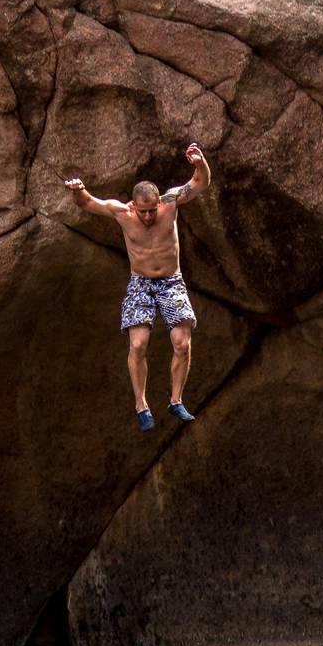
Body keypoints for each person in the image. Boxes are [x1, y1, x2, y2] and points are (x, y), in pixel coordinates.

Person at [63, 143, 212, 431]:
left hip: (171, 281)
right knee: (138, 343)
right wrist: (79, 189)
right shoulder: (122, 213)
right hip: (140, 283)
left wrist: (200, 163)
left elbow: (201, 181)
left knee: (182, 342)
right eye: (142, 211)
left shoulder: (170, 202)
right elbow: (88, 203)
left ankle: (176, 400)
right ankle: (141, 405)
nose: (147, 217)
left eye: (151, 211)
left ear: (159, 203)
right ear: (134, 206)